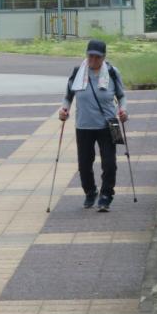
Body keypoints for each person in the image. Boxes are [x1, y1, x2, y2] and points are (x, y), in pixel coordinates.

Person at [59, 39, 128, 213]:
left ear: (103, 57)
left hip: (110, 123)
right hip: (84, 125)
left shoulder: (112, 72)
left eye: (97, 57)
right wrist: (64, 110)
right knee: (84, 164)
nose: (93, 60)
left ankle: (106, 196)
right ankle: (90, 192)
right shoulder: (78, 72)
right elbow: (68, 97)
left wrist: (123, 110)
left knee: (110, 163)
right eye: (90, 56)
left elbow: (121, 96)